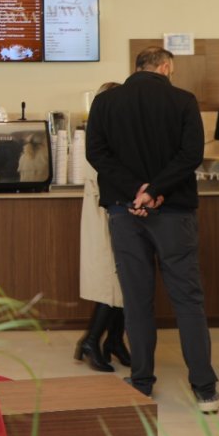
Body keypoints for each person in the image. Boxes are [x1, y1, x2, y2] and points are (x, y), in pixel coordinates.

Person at [85, 47, 219, 413]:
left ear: (138, 67)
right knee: (188, 300)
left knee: (137, 300)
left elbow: (96, 153)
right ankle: (205, 389)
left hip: (124, 211)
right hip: (173, 212)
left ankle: (142, 382)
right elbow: (190, 155)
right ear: (165, 67)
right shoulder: (183, 100)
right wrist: (155, 190)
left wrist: (135, 191)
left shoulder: (106, 102)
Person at [75, 81, 129, 373]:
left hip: (111, 211)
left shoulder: (107, 133)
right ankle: (91, 340)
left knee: (123, 280)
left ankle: (115, 340)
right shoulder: (102, 137)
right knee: (113, 280)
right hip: (106, 214)